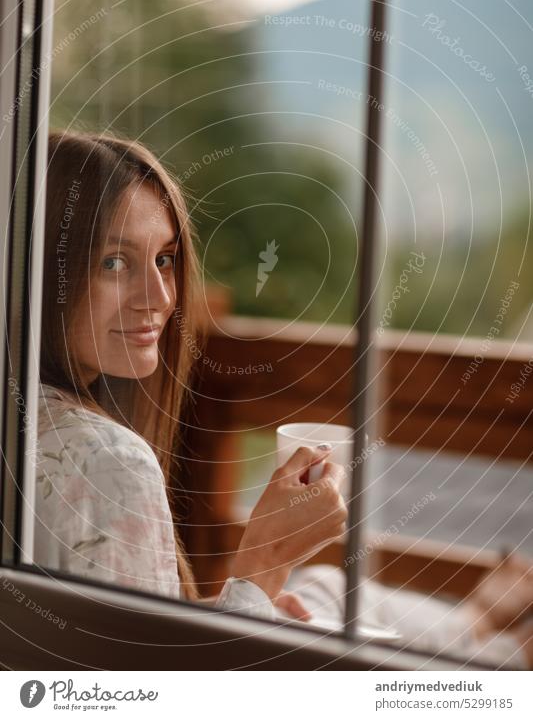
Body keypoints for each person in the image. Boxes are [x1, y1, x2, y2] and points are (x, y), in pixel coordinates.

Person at [35, 131, 532, 668]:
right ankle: (510, 651)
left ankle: (478, 621)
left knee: (324, 589)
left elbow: (114, 629)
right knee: (331, 612)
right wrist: (264, 561)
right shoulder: (110, 462)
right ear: (39, 269)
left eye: (164, 259)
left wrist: (249, 604)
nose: (160, 298)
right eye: (114, 261)